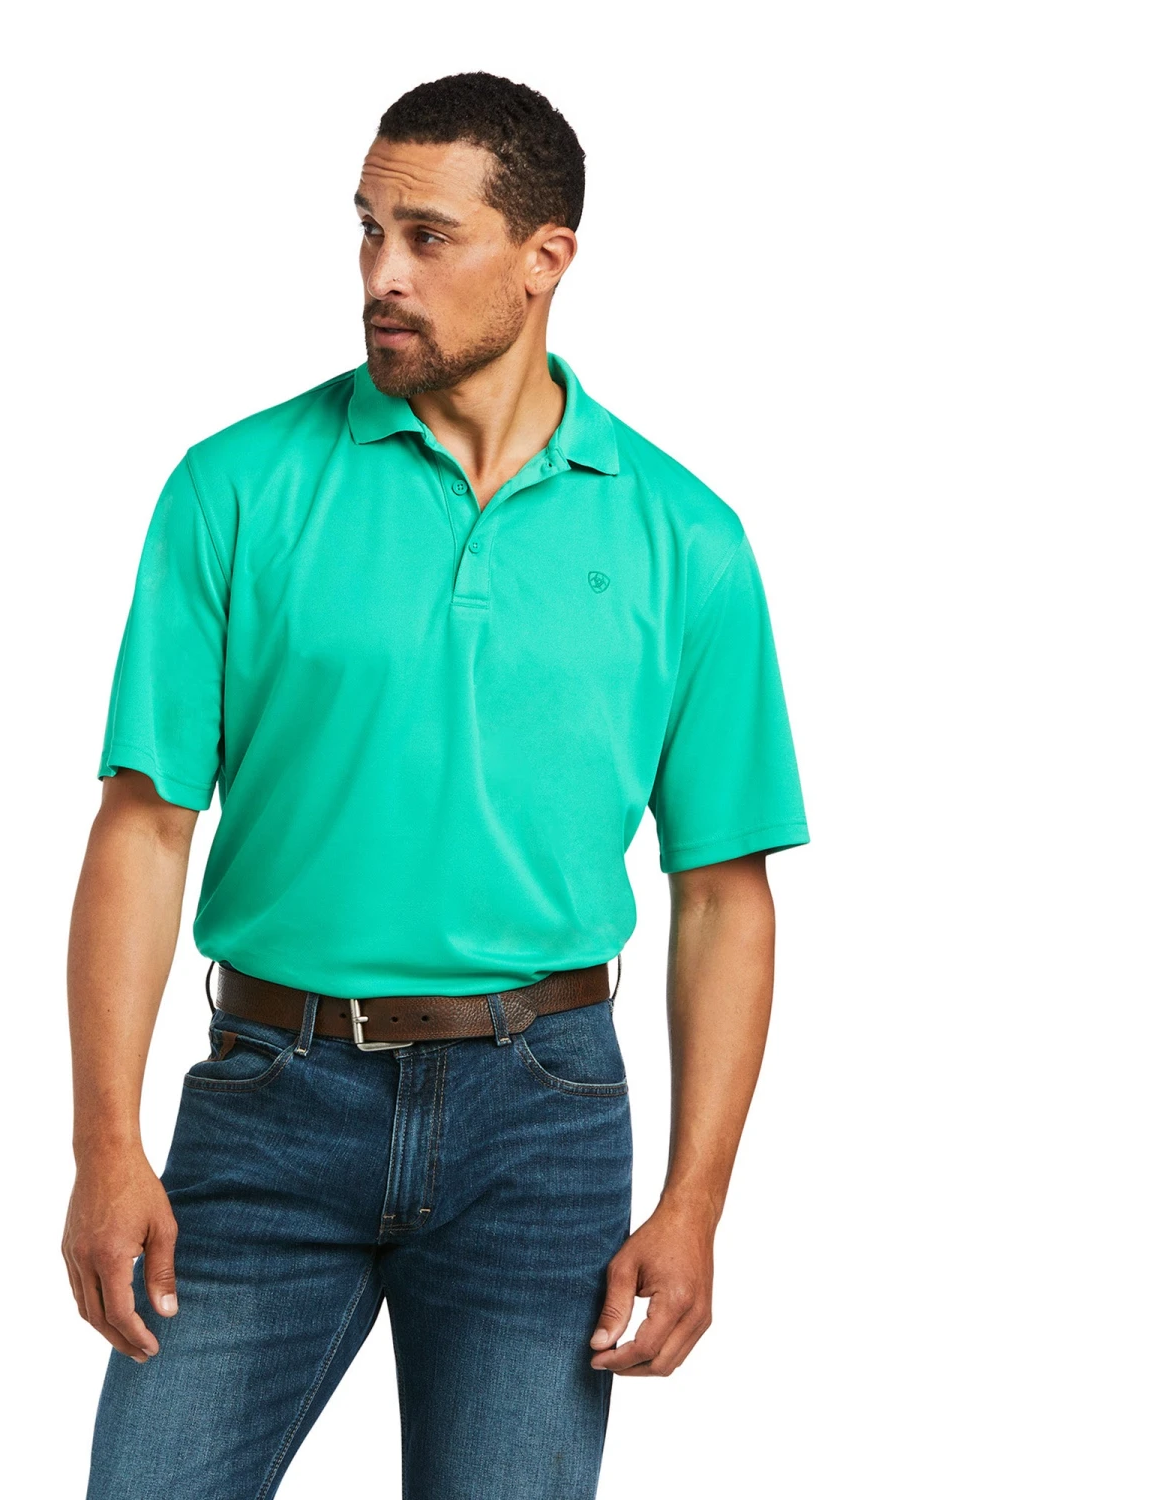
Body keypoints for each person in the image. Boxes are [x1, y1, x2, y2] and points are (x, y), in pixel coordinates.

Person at [62, 71, 809, 1500]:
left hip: (544, 1120)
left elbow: (725, 894)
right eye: (367, 230)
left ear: (545, 258)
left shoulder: (686, 539)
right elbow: (144, 832)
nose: (380, 276)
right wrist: (105, 1146)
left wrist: (696, 1203)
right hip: (271, 1099)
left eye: (427, 236)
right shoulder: (234, 488)